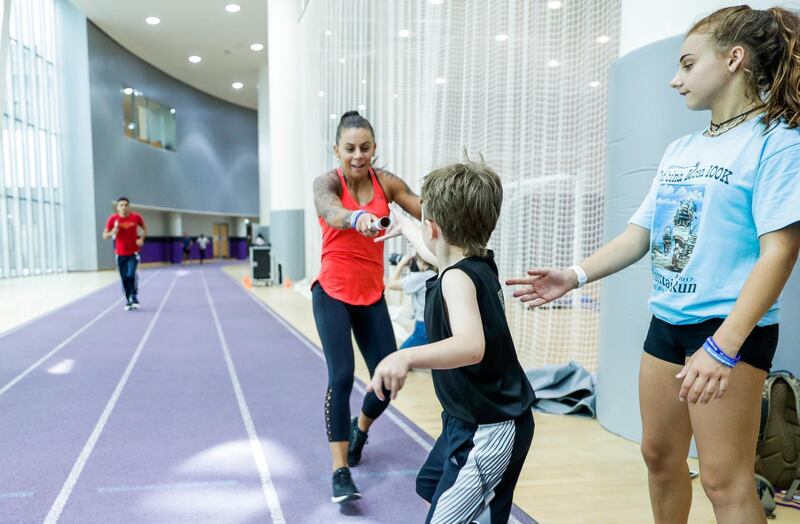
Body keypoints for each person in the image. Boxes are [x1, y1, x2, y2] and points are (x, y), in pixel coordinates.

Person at [507, 7, 800, 523]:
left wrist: (724, 346)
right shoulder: (681, 149)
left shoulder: (776, 143)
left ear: (734, 59)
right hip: (667, 324)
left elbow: (780, 251)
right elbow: (640, 235)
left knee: (722, 481)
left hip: (728, 332)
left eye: (687, 64)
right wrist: (574, 275)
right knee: (659, 457)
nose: (674, 78)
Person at [370, 162, 536, 524]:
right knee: (434, 487)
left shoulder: (455, 280)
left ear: (435, 228)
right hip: (466, 422)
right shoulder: (471, 261)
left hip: (491, 430)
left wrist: (405, 356)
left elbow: (470, 345)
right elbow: (435, 253)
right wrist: (406, 227)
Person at [312, 110, 421, 503]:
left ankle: (361, 430)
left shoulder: (387, 184)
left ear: (374, 148)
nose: (358, 155)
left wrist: (456, 221)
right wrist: (356, 217)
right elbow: (330, 211)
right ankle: (340, 471)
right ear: (336, 149)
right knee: (341, 377)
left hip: (371, 296)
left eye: (365, 148)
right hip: (332, 293)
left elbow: (425, 210)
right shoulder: (327, 182)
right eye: (350, 148)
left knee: (388, 379)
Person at [102, 197, 147, 310]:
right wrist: (112, 232)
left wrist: (141, 238)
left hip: (133, 252)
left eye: (126, 205)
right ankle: (128, 300)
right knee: (124, 278)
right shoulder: (113, 219)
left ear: (129, 206)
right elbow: (104, 236)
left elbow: (144, 228)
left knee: (131, 274)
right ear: (117, 207)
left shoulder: (136, 217)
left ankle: (134, 295)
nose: (124, 207)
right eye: (121, 205)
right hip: (120, 254)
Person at [386, 253, 436, 349]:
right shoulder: (437, 274)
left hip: (423, 327)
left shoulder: (420, 277)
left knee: (401, 355)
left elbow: (392, 284)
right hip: (435, 324)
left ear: (421, 262)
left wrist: (401, 263)